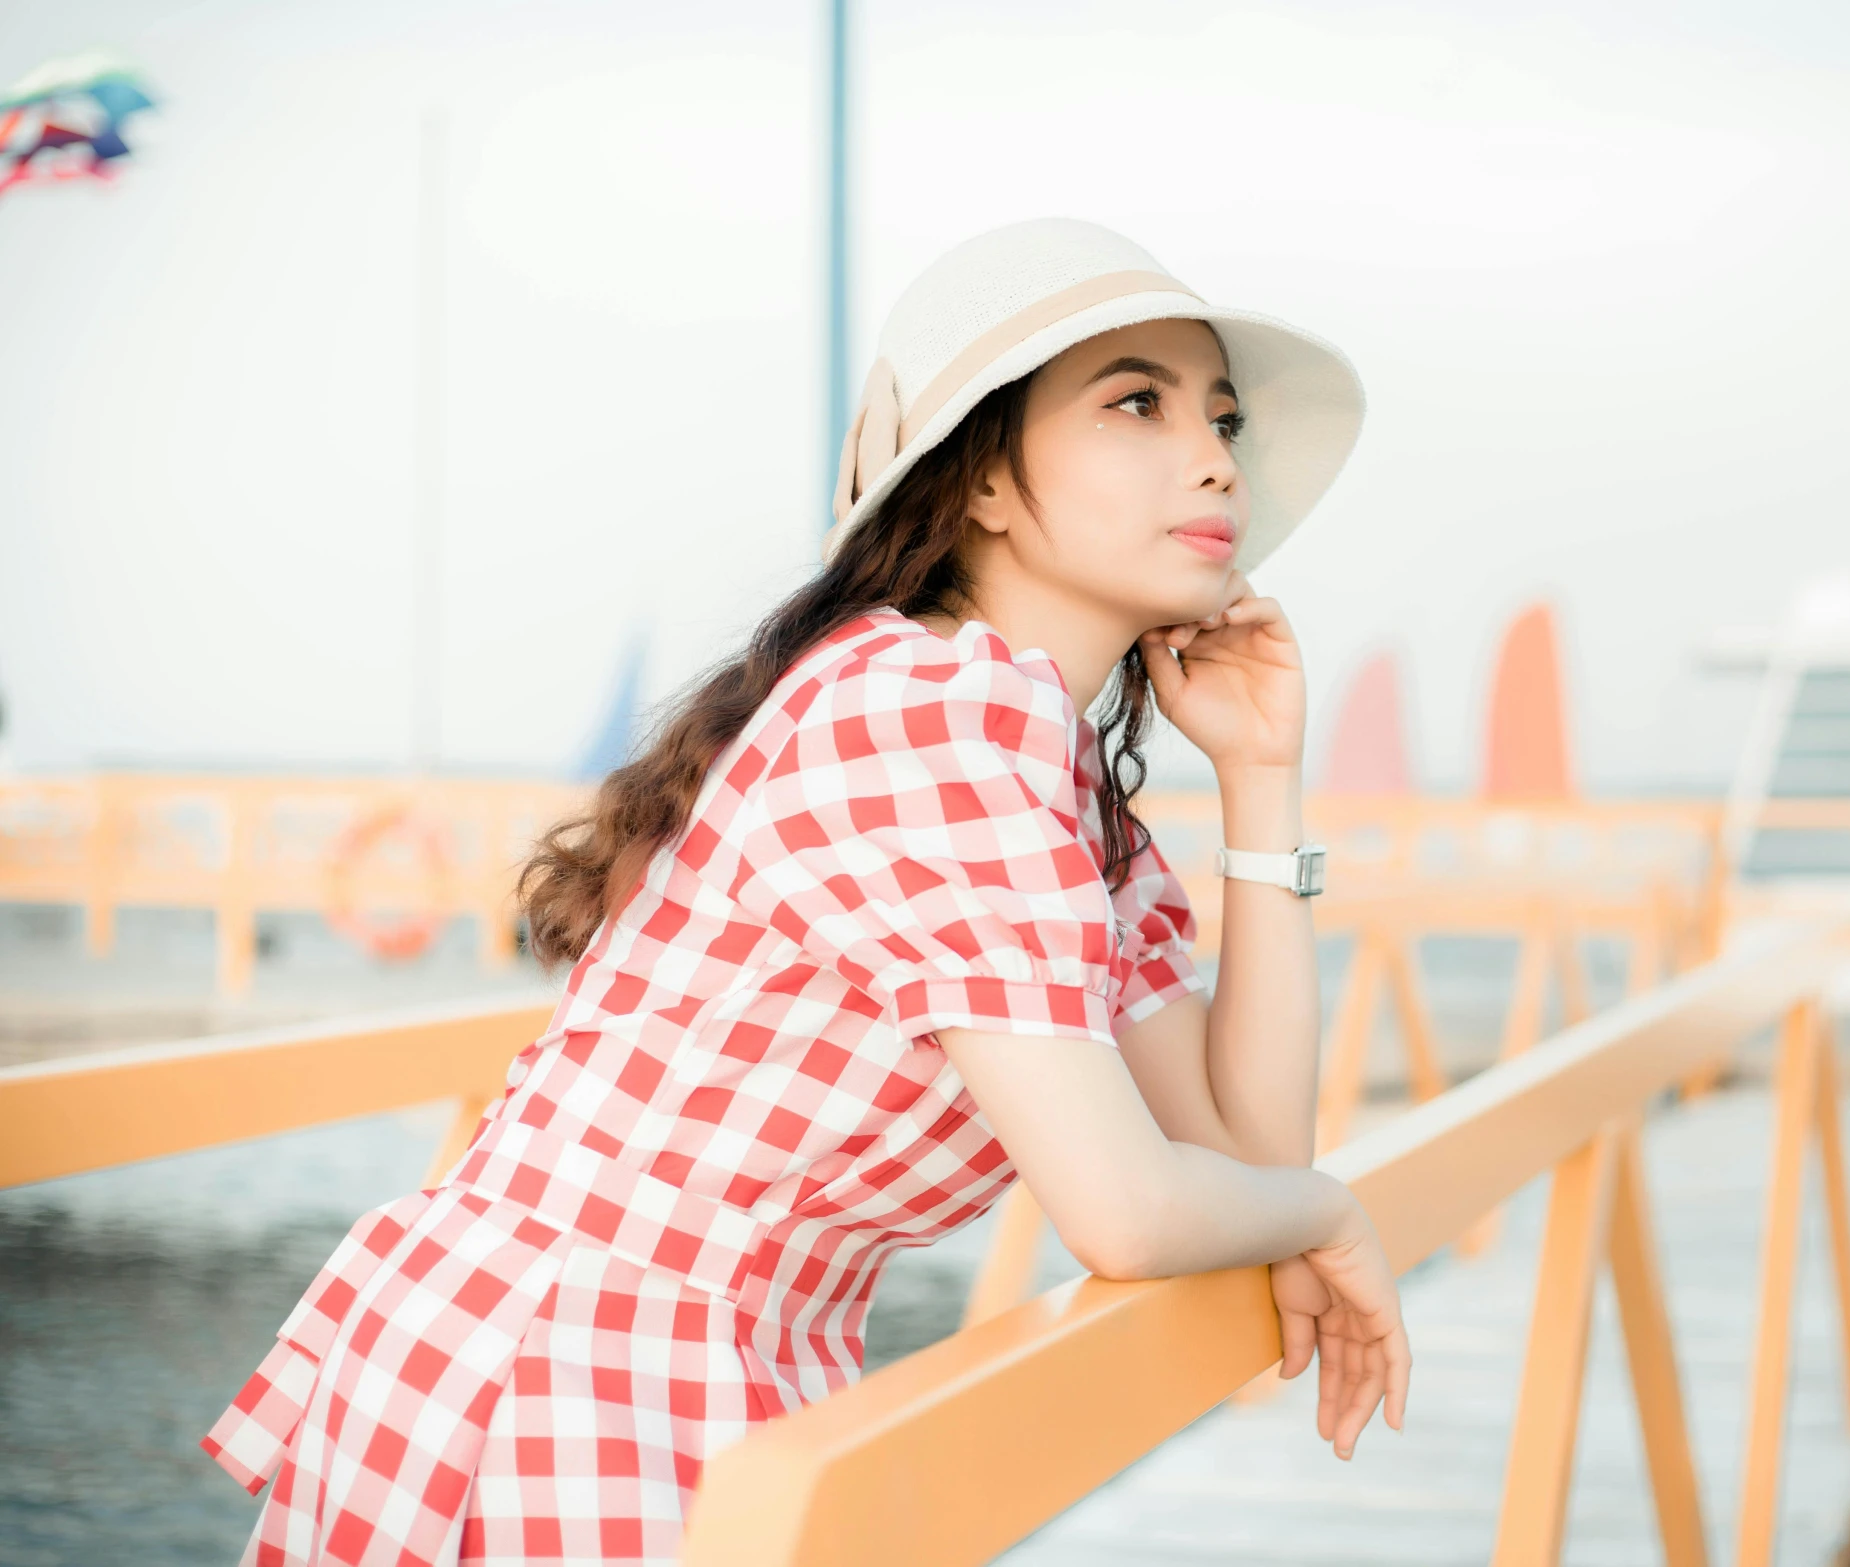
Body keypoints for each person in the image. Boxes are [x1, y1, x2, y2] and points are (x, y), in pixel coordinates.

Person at [204, 218, 1409, 1565]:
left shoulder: (1046, 786)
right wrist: (1333, 1212)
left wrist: (1260, 775)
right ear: (986, 481)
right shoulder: (931, 707)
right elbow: (1134, 1209)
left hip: (679, 1363)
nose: (1212, 457)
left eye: (1223, 419)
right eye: (1135, 400)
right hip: (579, 1362)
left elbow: (1245, 1158)